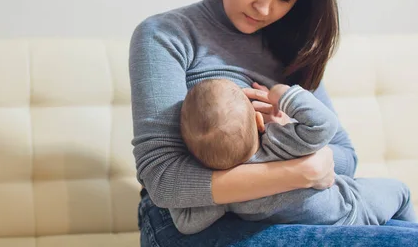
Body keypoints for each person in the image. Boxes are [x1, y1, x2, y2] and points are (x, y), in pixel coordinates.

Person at [128, 0, 418, 246]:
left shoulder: (289, 48)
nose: (265, 8)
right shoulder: (167, 35)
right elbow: (165, 180)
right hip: (192, 224)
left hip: (292, 210)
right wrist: (299, 170)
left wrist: (290, 134)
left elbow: (344, 156)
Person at [169, 77, 416, 234]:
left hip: (311, 229)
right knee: (401, 192)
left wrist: (198, 166)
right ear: (258, 120)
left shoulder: (227, 194)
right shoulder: (282, 143)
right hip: (352, 212)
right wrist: (282, 95)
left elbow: (185, 222)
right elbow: (325, 125)